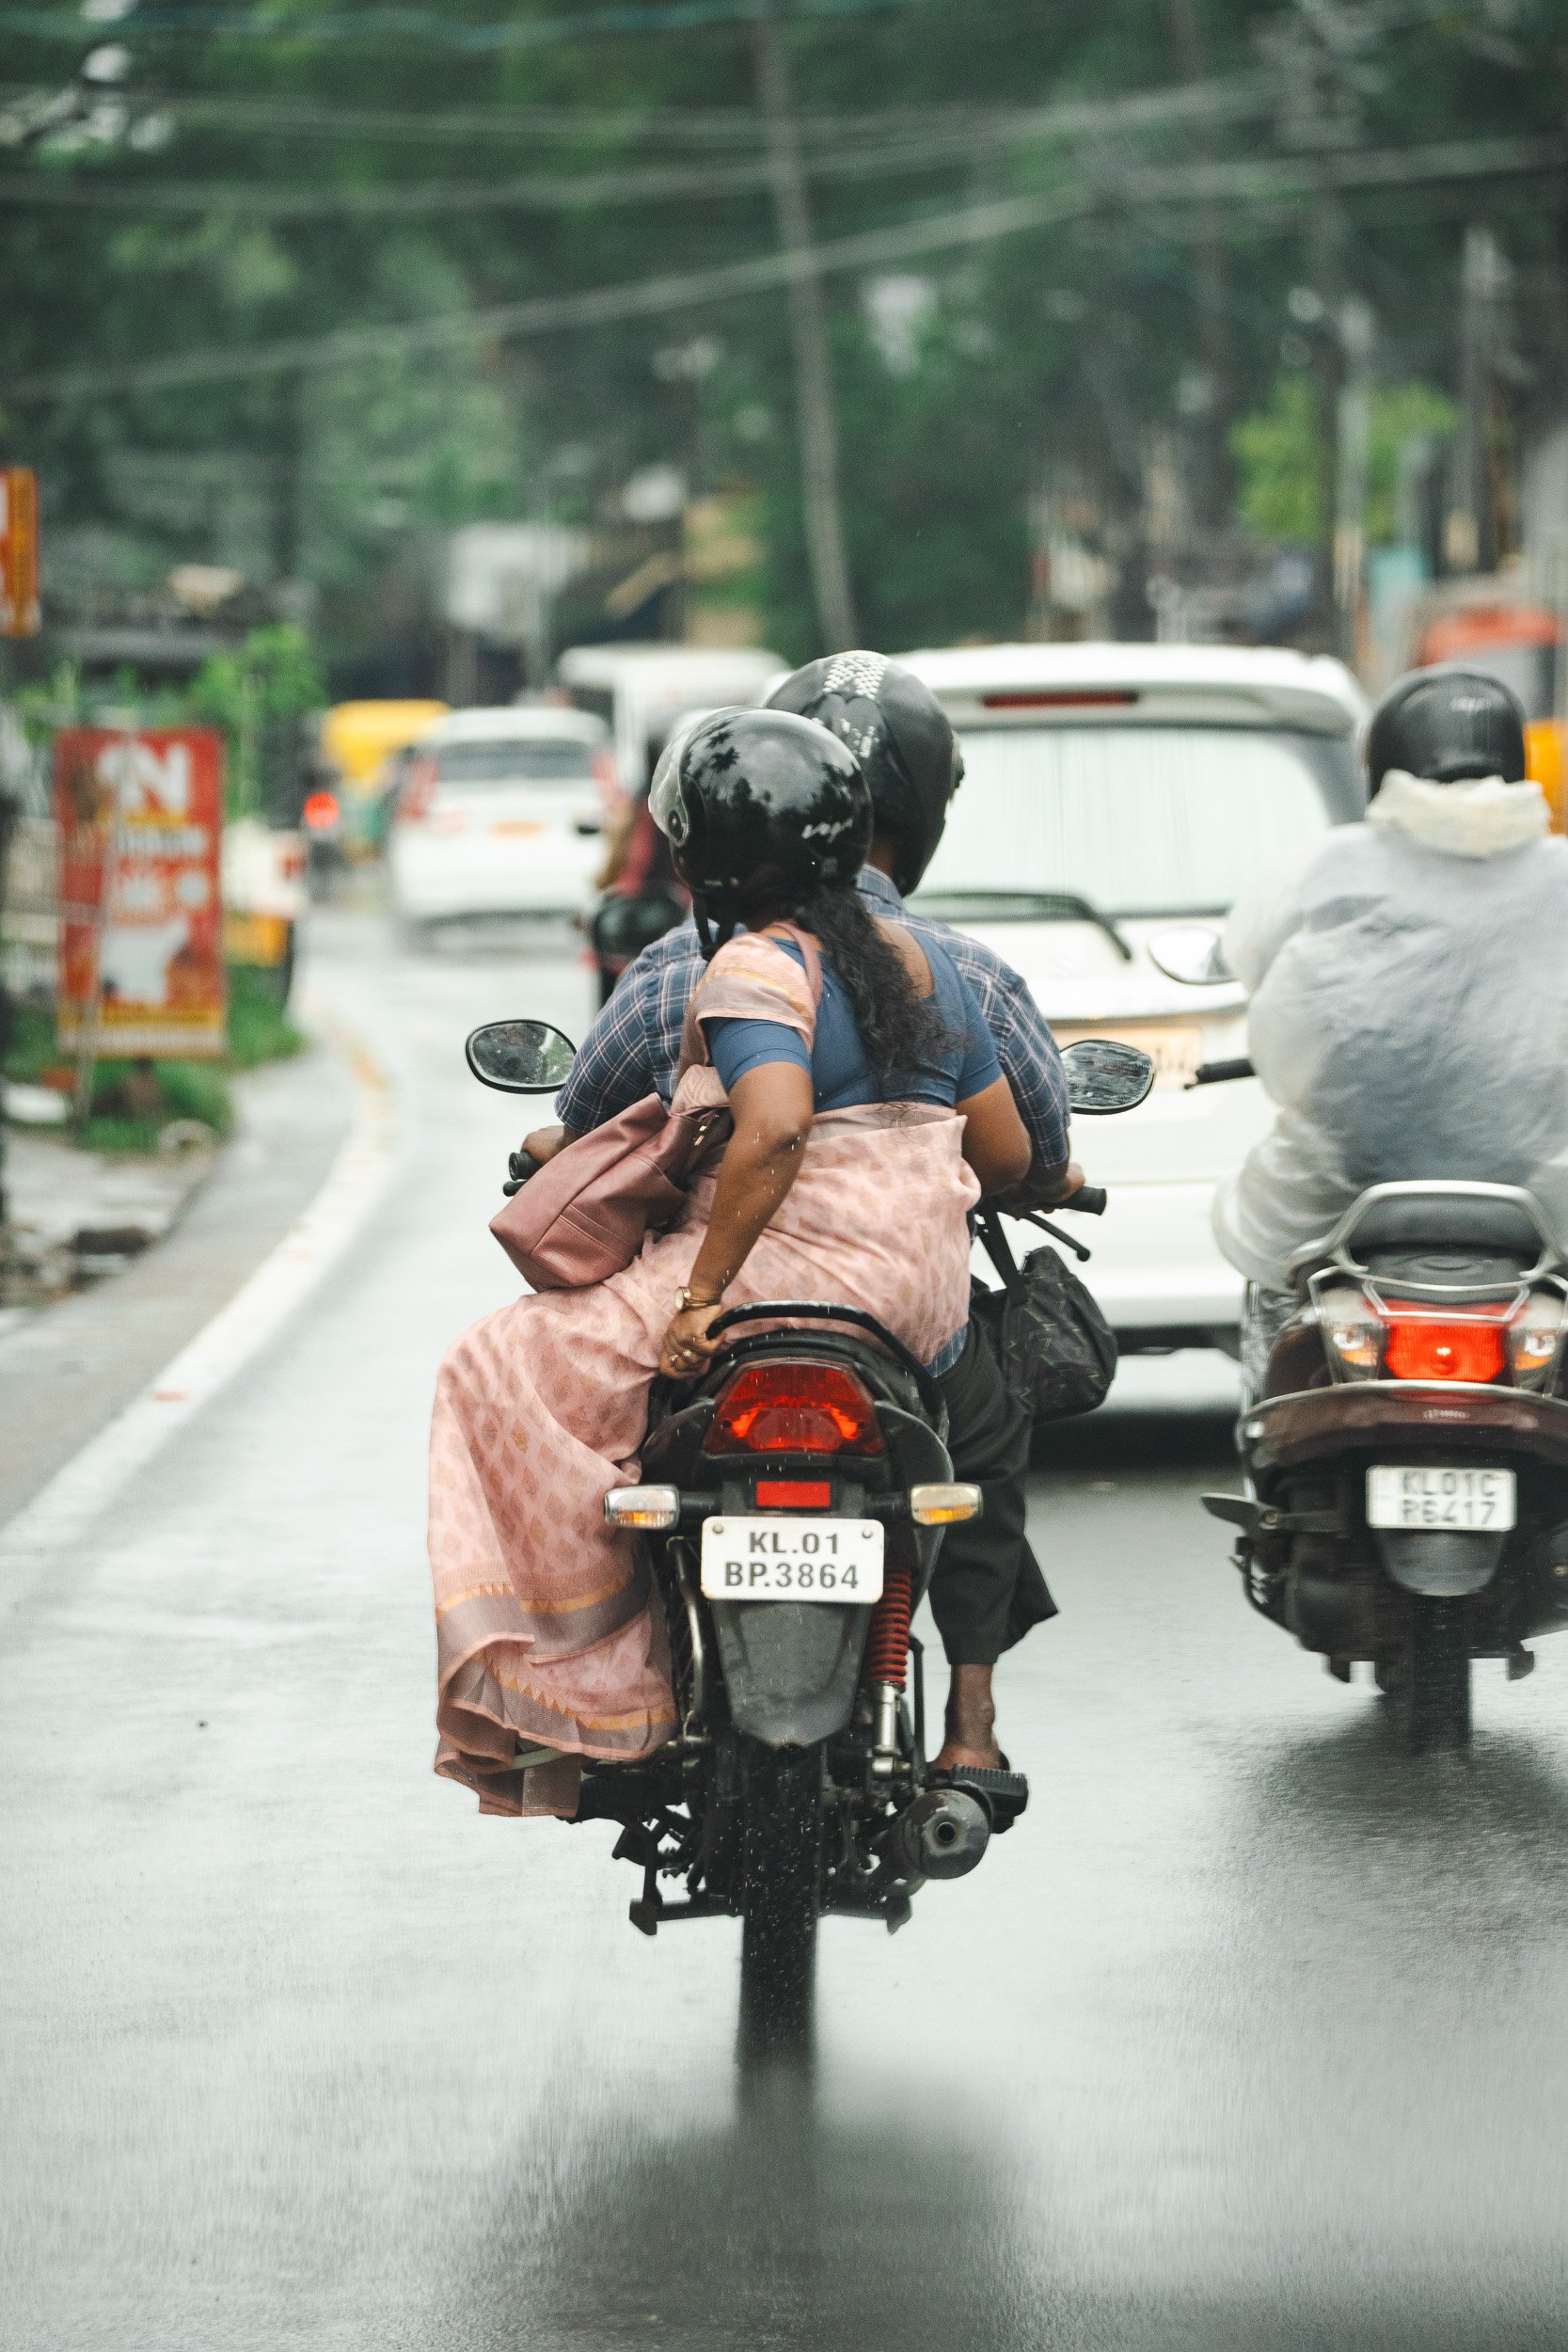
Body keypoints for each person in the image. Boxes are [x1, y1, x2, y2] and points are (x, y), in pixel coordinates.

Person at [430, 707, 1032, 1817]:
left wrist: (697, 1301)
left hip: (776, 1287)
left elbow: (776, 1124)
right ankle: (971, 1722)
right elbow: (1006, 1154)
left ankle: (598, 1676)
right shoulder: (928, 964)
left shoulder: (753, 963)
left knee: (491, 1364)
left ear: (704, 855)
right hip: (917, 1310)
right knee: (982, 1439)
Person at [1213, 664, 1568, 1396]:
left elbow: (1251, 962)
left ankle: (1266, 1438)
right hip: (1546, 1201)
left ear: (1382, 765)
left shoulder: (1319, 869)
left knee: (1276, 1289)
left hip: (1337, 1194)